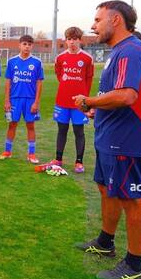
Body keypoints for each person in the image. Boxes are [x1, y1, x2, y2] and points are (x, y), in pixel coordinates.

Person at [74, 0, 141, 279]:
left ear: (116, 20)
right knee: (106, 188)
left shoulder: (131, 50)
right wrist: (99, 107)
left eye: (98, 20)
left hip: (126, 138)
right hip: (109, 135)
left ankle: (134, 265)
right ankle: (106, 242)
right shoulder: (118, 51)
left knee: (130, 198)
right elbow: (117, 94)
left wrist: (89, 101)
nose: (93, 25)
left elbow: (127, 96)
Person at [50, 27, 94, 173]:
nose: (72, 42)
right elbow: (59, 75)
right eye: (69, 39)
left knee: (78, 131)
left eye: (75, 39)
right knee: (61, 130)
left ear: (80, 40)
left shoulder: (87, 58)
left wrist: (85, 100)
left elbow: (88, 79)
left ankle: (79, 161)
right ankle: (58, 159)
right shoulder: (60, 58)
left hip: (79, 104)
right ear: (66, 40)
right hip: (62, 101)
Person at [0, 35, 44, 163]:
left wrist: (36, 102)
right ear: (19, 45)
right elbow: (8, 82)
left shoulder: (37, 62)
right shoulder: (12, 62)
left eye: (29, 44)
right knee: (12, 124)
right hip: (15, 99)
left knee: (30, 125)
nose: (27, 46)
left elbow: (39, 83)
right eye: (24, 44)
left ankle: (31, 154)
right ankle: (7, 151)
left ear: (32, 46)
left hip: (30, 100)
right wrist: (7, 100)